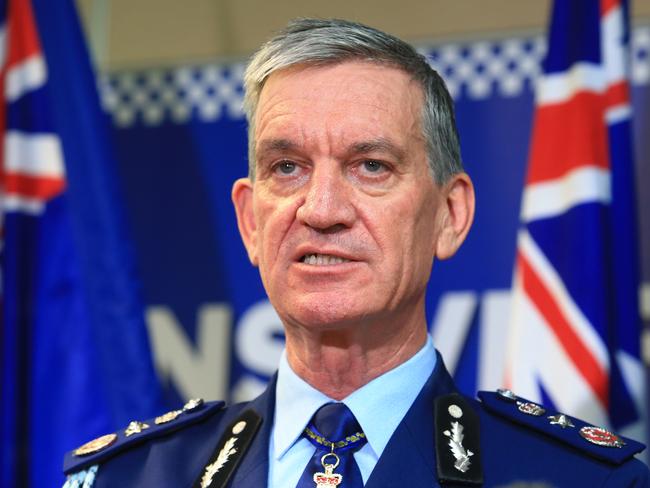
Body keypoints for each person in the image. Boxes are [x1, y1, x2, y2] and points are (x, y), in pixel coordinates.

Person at [63, 19, 649, 487]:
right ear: (249, 222)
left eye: (371, 167)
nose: (321, 209)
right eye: (286, 168)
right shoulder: (130, 477)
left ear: (450, 215)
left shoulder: (583, 479)